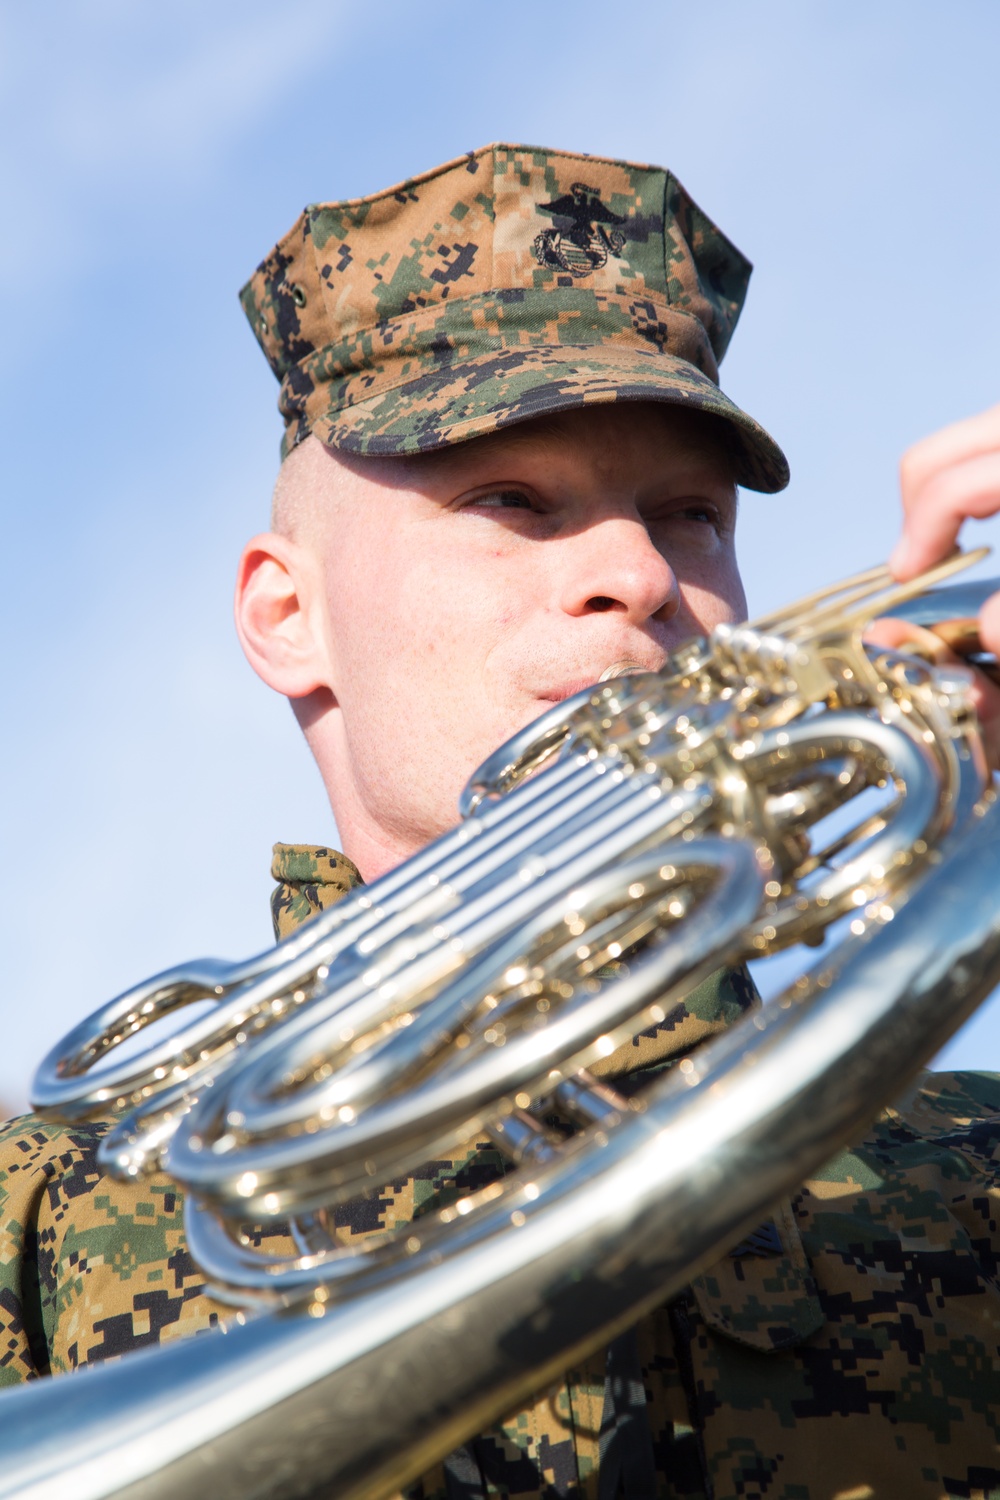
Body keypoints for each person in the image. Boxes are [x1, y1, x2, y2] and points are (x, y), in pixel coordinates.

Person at [1, 142, 999, 1500]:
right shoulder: (47, 1207)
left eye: (691, 515)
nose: (641, 574)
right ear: (287, 616)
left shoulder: (972, 1163)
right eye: (512, 502)